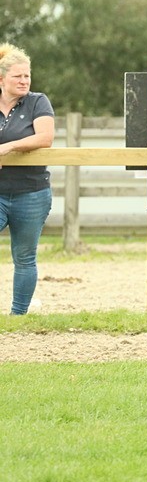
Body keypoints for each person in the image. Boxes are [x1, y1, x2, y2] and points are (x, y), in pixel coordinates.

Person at [0, 44, 55, 315]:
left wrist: (8, 147)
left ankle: (18, 314)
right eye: (17, 76)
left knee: (24, 256)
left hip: (32, 192)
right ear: (2, 79)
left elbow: (45, 138)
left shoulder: (37, 101)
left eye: (27, 76)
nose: (24, 81)